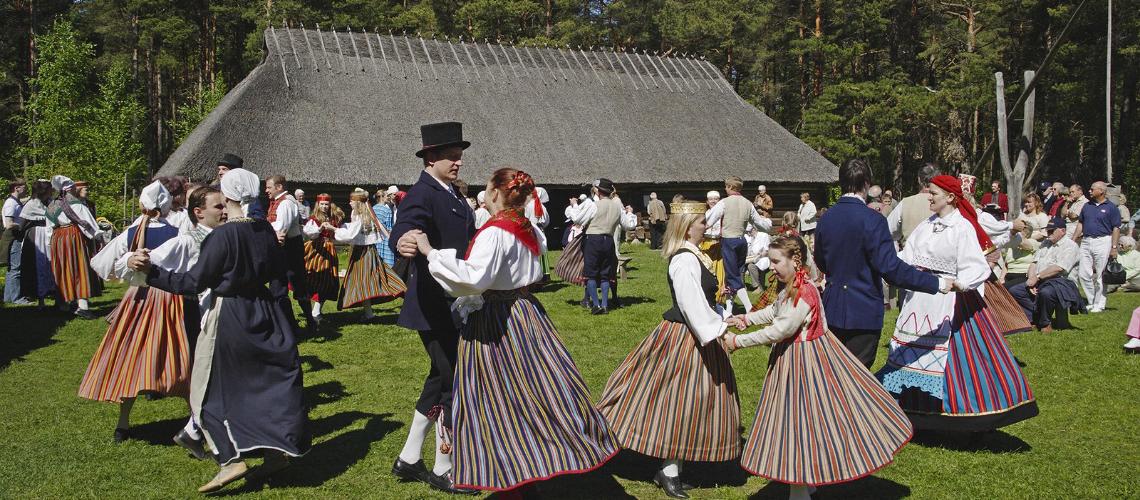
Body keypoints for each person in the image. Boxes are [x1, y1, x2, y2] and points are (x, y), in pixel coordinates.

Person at [410, 168, 617, 493]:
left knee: (496, 398)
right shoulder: (529, 228)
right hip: (527, 315)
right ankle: (536, 462)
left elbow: (473, 278)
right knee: (535, 391)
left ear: (494, 194)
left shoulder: (497, 232)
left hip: (498, 320)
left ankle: (513, 472)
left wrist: (429, 251)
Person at [133, 168, 310, 493]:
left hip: (229, 314)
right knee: (261, 385)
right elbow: (275, 271)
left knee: (204, 389)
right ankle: (274, 455)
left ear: (227, 196)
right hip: (265, 311)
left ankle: (229, 460)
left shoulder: (223, 236)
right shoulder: (265, 231)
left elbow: (193, 282)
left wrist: (152, 272)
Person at [725, 235, 912, 500]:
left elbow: (782, 329)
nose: (773, 266)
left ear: (795, 260)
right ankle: (806, 481)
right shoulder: (792, 284)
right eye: (771, 260)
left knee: (798, 423)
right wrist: (747, 318)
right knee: (804, 422)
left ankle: (800, 488)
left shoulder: (804, 291)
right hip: (796, 358)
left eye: (777, 261)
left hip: (804, 362)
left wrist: (737, 342)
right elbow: (776, 311)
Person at [597, 201, 739, 499]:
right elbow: (690, 304)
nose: (706, 226)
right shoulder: (684, 259)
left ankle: (672, 466)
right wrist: (719, 330)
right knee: (680, 400)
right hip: (686, 338)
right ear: (688, 227)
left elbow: (700, 298)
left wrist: (720, 308)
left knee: (691, 402)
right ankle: (669, 469)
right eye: (701, 222)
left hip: (695, 334)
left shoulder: (693, 255)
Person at [877, 175, 1037, 431]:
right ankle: (911, 411)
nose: (929, 197)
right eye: (929, 192)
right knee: (909, 355)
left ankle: (953, 416)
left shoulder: (962, 228)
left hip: (949, 303)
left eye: (934, 193)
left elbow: (976, 266)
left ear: (951, 197)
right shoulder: (926, 225)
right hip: (919, 301)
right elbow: (906, 257)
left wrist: (961, 284)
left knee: (956, 361)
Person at [389, 122, 477, 494]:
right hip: (433, 305)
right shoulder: (423, 194)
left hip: (450, 302)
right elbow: (407, 225)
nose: (458, 162)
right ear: (431, 158)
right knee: (452, 383)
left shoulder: (451, 193)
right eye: (452, 157)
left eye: (459, 156)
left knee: (438, 378)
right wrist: (405, 239)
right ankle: (444, 467)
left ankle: (409, 459)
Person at [123, 185, 227, 460]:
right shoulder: (188, 239)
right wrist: (132, 259)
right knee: (206, 375)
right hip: (200, 313)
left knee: (220, 375)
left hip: (227, 313)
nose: (225, 210)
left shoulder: (225, 234)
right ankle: (203, 435)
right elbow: (146, 258)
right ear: (199, 212)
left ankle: (200, 432)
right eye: (219, 206)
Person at [79, 181, 186, 444]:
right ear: (166, 206)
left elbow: (99, 264)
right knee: (182, 358)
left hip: (137, 300)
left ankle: (123, 424)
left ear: (141, 205)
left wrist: (124, 264)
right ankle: (197, 420)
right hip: (171, 300)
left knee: (130, 358)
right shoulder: (178, 232)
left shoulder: (131, 233)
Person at [813, 159, 944, 368]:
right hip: (863, 311)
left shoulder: (826, 219)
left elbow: (821, 260)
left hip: (833, 307)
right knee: (858, 379)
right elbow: (891, 269)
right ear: (866, 184)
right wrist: (936, 283)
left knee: (834, 375)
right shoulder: (873, 220)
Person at [333, 188, 406, 320]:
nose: (350, 203)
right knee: (365, 282)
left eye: (352, 200)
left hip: (363, 253)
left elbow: (350, 234)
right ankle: (369, 314)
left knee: (367, 280)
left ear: (358, 202)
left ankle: (407, 295)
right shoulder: (364, 214)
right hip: (367, 251)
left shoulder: (359, 215)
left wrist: (333, 229)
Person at [704, 176, 772, 311]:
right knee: (732, 277)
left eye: (726, 186)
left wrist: (697, 226)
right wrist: (768, 227)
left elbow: (709, 220)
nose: (725, 189)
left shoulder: (724, 203)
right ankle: (729, 310)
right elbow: (760, 224)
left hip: (729, 242)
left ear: (730, 187)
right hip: (742, 242)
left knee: (733, 277)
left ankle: (749, 308)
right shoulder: (748, 203)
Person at [1007, 216, 1084, 332]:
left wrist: (1036, 278)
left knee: (1045, 293)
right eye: (1047, 230)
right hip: (1042, 280)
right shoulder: (1045, 244)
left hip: (1063, 283)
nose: (1048, 233)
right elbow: (1034, 263)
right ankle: (1034, 318)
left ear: (1062, 231)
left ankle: (1045, 323)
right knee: (1016, 291)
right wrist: (1032, 279)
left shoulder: (1071, 246)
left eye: (1051, 230)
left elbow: (1059, 268)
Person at [45, 175, 100, 319]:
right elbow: (89, 225)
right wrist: (98, 236)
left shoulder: (52, 205)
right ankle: (82, 306)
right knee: (79, 268)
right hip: (74, 236)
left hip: (58, 238)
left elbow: (48, 229)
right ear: (71, 189)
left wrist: (50, 245)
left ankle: (63, 304)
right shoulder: (76, 204)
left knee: (62, 269)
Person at [264, 174, 314, 326]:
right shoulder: (278, 202)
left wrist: (262, 228)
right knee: (282, 286)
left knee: (291, 285)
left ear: (279, 187)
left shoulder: (285, 203)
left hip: (289, 248)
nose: (266, 190)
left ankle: (305, 322)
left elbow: (281, 228)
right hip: (286, 247)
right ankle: (290, 323)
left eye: (269, 187)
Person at [1071, 181, 1121, 313]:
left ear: (1101, 191)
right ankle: (1092, 300)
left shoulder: (1111, 207)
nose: (1090, 191)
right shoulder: (1087, 206)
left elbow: (1116, 228)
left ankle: (1099, 304)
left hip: (1103, 241)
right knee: (1083, 273)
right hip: (1086, 241)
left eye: (1092, 189)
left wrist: (1114, 247)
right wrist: (1073, 240)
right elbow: (1080, 224)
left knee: (1100, 274)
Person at [578, 178, 623, 314]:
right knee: (605, 274)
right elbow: (629, 224)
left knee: (590, 274)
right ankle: (605, 304)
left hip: (594, 239)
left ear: (598, 191)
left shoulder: (593, 205)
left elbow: (578, 219)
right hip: (609, 240)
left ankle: (596, 305)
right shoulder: (617, 207)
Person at [301, 194, 344, 325]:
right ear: (318, 205)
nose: (324, 207)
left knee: (327, 279)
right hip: (314, 249)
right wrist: (319, 229)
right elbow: (309, 233)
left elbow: (339, 232)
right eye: (322, 204)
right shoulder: (314, 219)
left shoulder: (334, 218)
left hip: (329, 250)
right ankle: (310, 308)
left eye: (326, 204)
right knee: (311, 276)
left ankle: (316, 310)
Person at [1003, 194, 1049, 287]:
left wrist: (1028, 238)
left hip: (1033, 244)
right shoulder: (1021, 216)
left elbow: (1045, 234)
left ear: (1036, 203)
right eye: (1026, 202)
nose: (1026, 204)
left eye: (1029, 202)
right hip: (1020, 241)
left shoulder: (1042, 216)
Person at [887, 163, 940, 246]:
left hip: (909, 256)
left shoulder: (906, 203)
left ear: (919, 180)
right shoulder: (946, 204)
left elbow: (888, 230)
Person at [2, 178, 29, 304]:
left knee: (12, 268)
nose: (26, 188)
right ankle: (17, 298)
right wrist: (22, 225)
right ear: (16, 188)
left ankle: (8, 297)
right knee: (16, 268)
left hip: (15, 236)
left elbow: (24, 201)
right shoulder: (10, 203)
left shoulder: (15, 201)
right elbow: (8, 224)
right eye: (24, 186)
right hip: (13, 237)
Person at [373, 186, 398, 266]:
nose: (388, 198)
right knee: (388, 264)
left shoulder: (373, 209)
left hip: (376, 238)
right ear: (382, 197)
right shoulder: (387, 210)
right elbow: (389, 227)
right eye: (387, 196)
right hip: (385, 239)